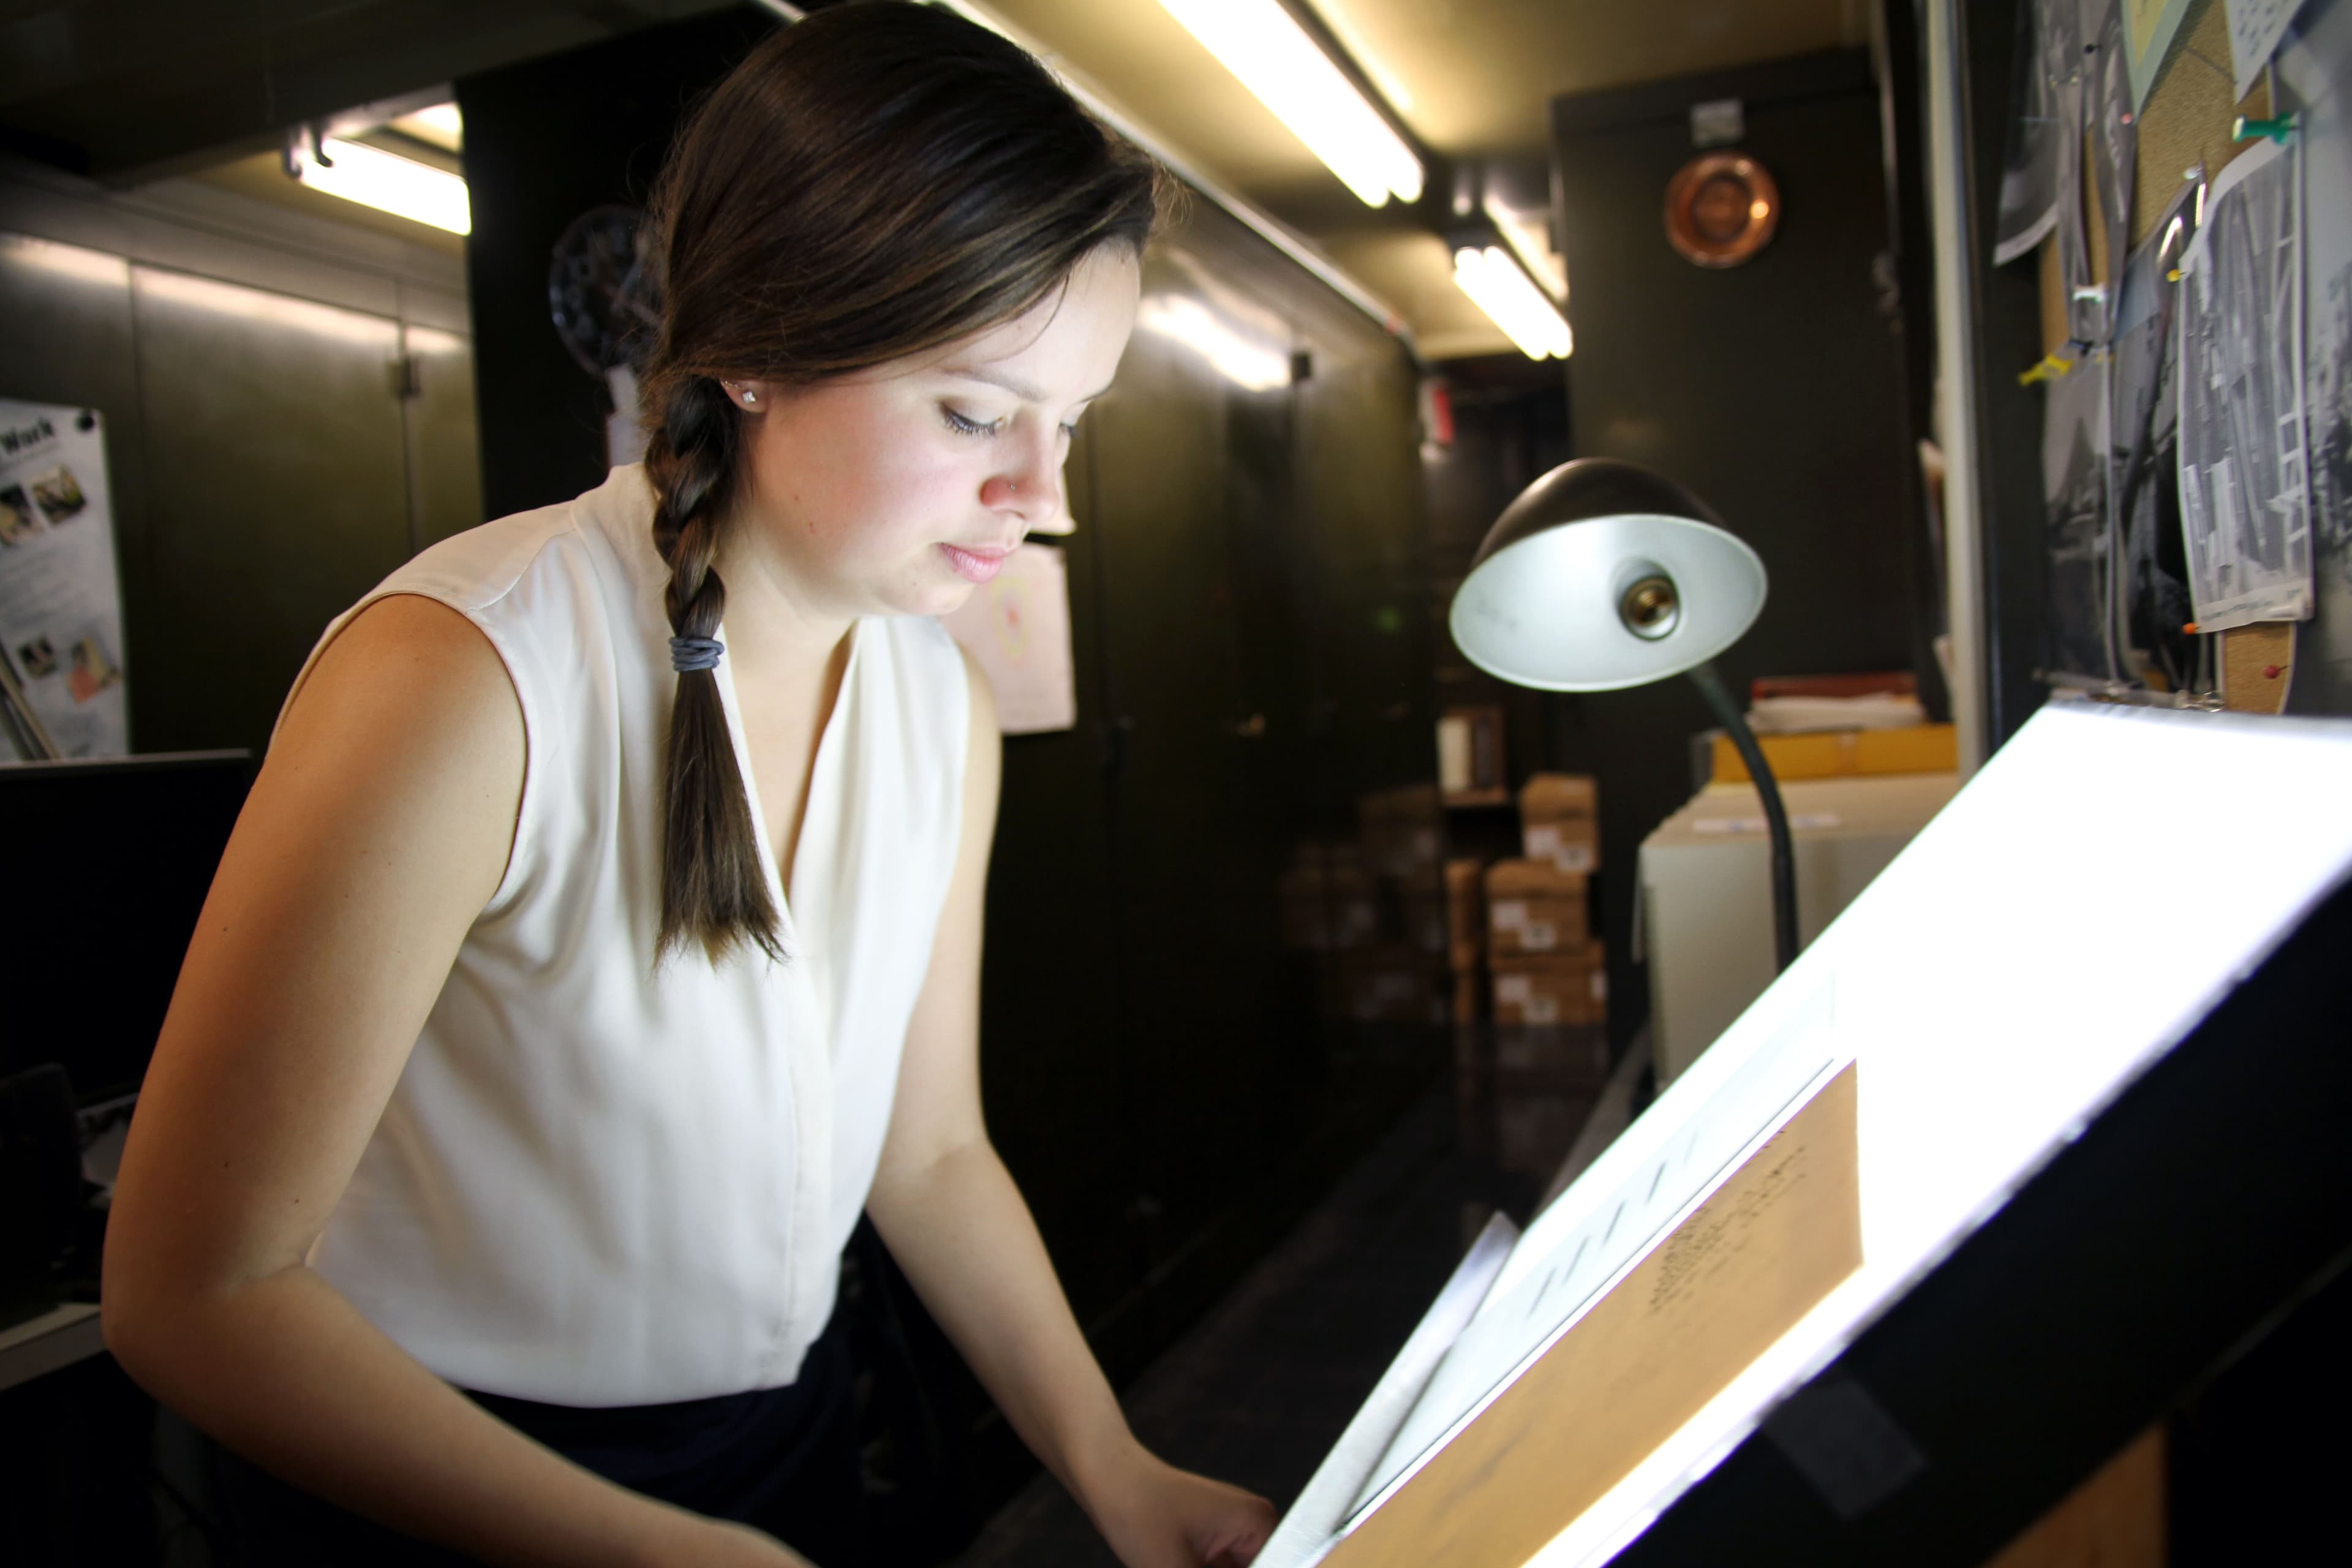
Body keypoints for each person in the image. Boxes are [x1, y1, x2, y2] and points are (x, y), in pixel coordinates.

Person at [100, 6, 1276, 1565]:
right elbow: (196, 1292)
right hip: (435, 1482)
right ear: (757, 351)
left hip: (778, 1446)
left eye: (1074, 422)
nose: (1042, 494)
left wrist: (1113, 1465)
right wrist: (656, 1549)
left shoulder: (939, 704)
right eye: (979, 411)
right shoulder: (466, 677)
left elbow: (927, 1152)